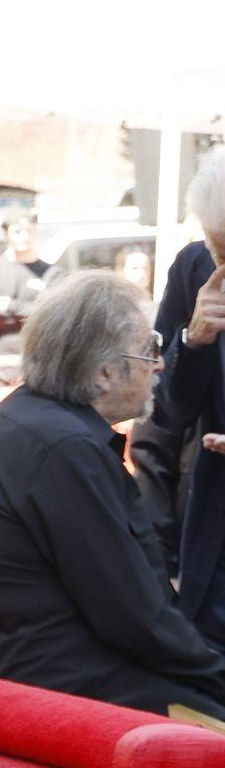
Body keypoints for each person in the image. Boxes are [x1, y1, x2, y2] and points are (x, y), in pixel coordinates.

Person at [0, 270, 225, 718]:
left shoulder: (37, 423)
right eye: (149, 349)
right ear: (103, 373)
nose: (158, 364)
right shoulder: (64, 447)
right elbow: (135, 617)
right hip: (70, 693)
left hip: (57, 677)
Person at [129, 149, 225, 648]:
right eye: (220, 252)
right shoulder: (193, 268)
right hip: (212, 515)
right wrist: (193, 341)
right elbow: (163, 411)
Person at [0, 210, 48, 355]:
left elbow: (47, 316)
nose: (24, 236)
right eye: (17, 231)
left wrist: (11, 306)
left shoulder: (51, 272)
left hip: (32, 357)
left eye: (29, 231)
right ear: (6, 234)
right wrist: (28, 316)